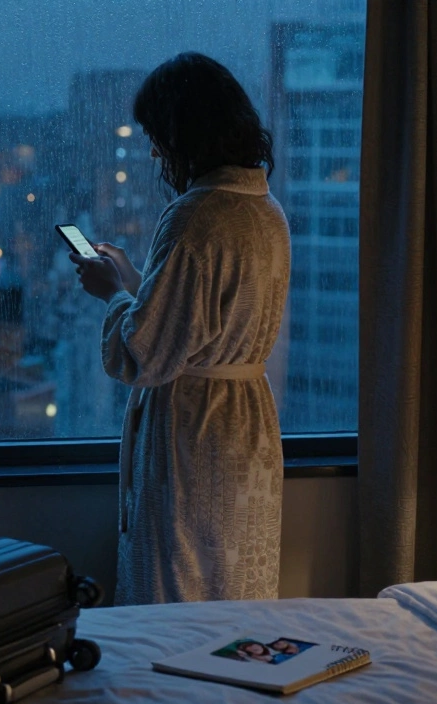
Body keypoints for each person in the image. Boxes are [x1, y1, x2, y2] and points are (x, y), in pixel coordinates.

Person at [69, 52, 290, 605]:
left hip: (195, 428)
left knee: (179, 587)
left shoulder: (195, 215)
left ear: (182, 133)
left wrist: (111, 292)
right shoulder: (266, 212)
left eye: (157, 136)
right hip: (248, 427)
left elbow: (149, 354)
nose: (153, 151)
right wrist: (133, 276)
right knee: (233, 588)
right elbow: (200, 322)